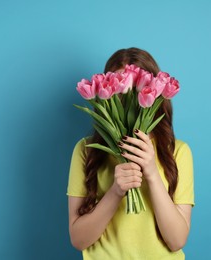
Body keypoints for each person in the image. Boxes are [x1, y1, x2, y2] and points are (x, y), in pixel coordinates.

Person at [67, 47, 195, 259]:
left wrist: (152, 173)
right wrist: (116, 191)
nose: (128, 99)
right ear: (105, 92)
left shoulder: (178, 152)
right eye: (119, 88)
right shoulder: (86, 150)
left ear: (155, 93)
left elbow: (177, 240)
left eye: (137, 88)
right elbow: (78, 239)